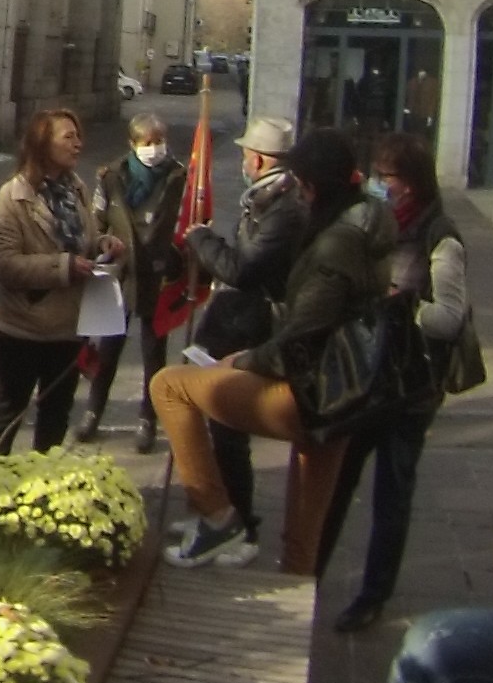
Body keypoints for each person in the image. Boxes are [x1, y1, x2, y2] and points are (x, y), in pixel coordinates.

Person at [153, 128, 391, 573]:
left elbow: (302, 336)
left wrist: (243, 360)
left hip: (313, 392)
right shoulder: (369, 223)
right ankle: (293, 581)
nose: (295, 192)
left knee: (170, 386)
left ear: (313, 187)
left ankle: (218, 517)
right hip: (347, 395)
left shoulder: (336, 245)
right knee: (302, 543)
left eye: (299, 183)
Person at [316, 131, 476, 629]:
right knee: (336, 480)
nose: (382, 184)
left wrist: (400, 305)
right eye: (380, 175)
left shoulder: (440, 237)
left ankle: (373, 596)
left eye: (391, 177)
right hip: (366, 378)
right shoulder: (376, 223)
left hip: (410, 389)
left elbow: (448, 317)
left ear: (414, 182)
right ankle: (309, 571)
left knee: (392, 491)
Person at [184, 115, 309, 556]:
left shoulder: (284, 208)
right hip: (243, 320)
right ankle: (219, 513)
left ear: (257, 160)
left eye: (245, 155)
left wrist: (202, 240)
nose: (242, 162)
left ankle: (238, 523)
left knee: (229, 426)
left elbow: (244, 269)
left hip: (259, 327)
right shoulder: (268, 197)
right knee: (219, 422)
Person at [0, 109, 125, 466]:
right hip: (22, 329)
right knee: (8, 413)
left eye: (78, 136)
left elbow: (84, 239)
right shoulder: (12, 197)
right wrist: (63, 267)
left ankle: (44, 486)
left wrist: (102, 244)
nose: (78, 144)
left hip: (68, 330)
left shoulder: (77, 189)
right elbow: (5, 264)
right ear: (42, 143)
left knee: (55, 418)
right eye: (68, 137)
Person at [76, 112, 188, 451]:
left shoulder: (178, 176)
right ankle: (93, 411)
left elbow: (188, 219)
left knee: (154, 351)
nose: (154, 149)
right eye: (147, 142)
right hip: (121, 270)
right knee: (109, 346)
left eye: (159, 141)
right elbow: (97, 218)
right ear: (133, 144)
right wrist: (99, 245)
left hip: (158, 271)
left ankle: (148, 418)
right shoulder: (112, 176)